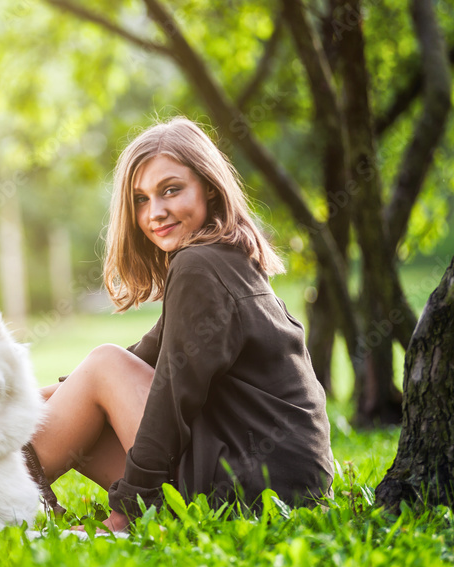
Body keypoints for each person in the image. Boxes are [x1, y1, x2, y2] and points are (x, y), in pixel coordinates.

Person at [22, 117, 334, 532]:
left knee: (103, 364)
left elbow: (171, 401)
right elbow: (148, 355)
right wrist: (25, 402)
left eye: (171, 190)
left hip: (249, 490)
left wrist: (127, 514)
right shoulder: (227, 258)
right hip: (279, 486)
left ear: (208, 185)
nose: (155, 212)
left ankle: (0, 498)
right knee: (88, 380)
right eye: (140, 198)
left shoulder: (198, 264)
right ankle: (11, 492)